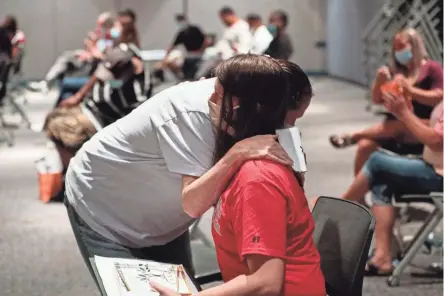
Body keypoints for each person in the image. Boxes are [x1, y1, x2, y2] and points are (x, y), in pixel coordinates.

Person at [63, 55, 294, 290]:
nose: (210, 98)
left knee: (179, 289)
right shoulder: (195, 113)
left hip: (164, 218)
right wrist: (235, 154)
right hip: (104, 207)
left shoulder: (262, 114)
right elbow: (194, 204)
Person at [151, 60, 325, 296]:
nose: (210, 101)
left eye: (217, 94)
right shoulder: (242, 164)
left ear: (235, 105)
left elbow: (266, 284)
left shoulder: (257, 178)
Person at [341, 90, 443, 275]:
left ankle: (334, 213)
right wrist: (405, 116)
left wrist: (404, 114)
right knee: (381, 179)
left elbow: (436, 140)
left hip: (438, 175)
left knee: (377, 162)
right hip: (433, 168)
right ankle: (382, 257)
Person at [329, 28, 443, 177]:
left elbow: (439, 96)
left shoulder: (431, 68)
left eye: (401, 47)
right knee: (364, 146)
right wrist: (379, 82)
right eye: (395, 48)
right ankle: (359, 198)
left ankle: (354, 136)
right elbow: (377, 100)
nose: (398, 51)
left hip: (421, 127)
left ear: (414, 46)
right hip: (392, 128)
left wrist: (411, 91)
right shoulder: (396, 70)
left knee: (404, 121)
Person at [44, 18, 145, 169]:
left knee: (56, 124)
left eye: (116, 27)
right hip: (98, 108)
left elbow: (99, 74)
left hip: (106, 115)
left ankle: (72, 175)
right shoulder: (121, 50)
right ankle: (68, 175)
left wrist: (78, 97)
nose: (112, 30)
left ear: (127, 32)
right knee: (55, 116)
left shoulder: (124, 52)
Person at [28, 12, 115, 93]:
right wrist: (89, 49)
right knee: (67, 57)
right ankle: (47, 83)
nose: (98, 28)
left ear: (107, 26)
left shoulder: (113, 39)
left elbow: (103, 56)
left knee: (67, 62)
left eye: (100, 25)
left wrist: (91, 47)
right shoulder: (102, 38)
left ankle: (48, 84)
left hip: (96, 70)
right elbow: (95, 52)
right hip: (89, 62)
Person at [154, 14, 206, 81]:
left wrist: (201, 50)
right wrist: (165, 58)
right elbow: (172, 46)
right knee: (186, 73)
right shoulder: (181, 33)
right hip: (189, 56)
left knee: (195, 74)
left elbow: (205, 40)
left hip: (199, 55)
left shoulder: (195, 29)